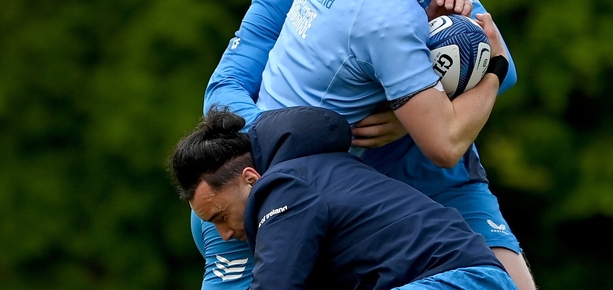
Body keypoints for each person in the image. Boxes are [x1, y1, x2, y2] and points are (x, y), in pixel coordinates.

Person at [198, 0, 534, 290]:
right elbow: (221, 93)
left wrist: (405, 112)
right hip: (315, 182)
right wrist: (300, 135)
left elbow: (497, 66)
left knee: (512, 283)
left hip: (427, 174)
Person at [170, 106, 518, 289]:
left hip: (452, 279)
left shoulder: (283, 188)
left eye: (219, 217)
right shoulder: (315, 171)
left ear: (250, 179)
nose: (225, 235)